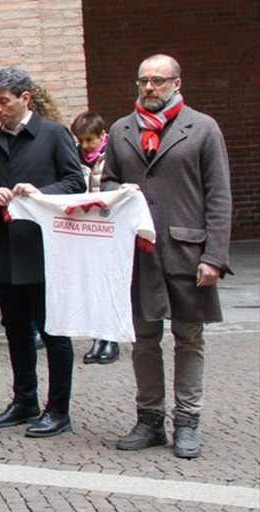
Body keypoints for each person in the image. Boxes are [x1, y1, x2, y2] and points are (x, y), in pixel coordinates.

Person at [103, 54, 233, 459]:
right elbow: (108, 183)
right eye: (143, 80)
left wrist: (214, 256)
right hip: (139, 254)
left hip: (187, 252)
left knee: (189, 338)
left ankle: (188, 422)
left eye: (158, 80)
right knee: (143, 340)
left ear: (177, 82)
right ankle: (149, 420)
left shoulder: (203, 128)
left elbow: (219, 195)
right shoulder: (122, 129)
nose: (149, 88)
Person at [0, 67, 87, 438]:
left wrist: (40, 195)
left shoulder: (54, 135)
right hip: (5, 248)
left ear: (25, 98)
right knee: (15, 329)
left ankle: (58, 410)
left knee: (53, 331)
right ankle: (24, 400)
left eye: (4, 102)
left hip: (44, 248)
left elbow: (75, 181)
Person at [71, 110, 119, 366]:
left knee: (108, 283)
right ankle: (98, 337)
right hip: (86, 230)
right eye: (82, 140)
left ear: (103, 136)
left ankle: (111, 339)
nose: (86, 146)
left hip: (108, 228)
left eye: (90, 140)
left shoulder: (112, 157)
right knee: (92, 285)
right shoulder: (76, 158)